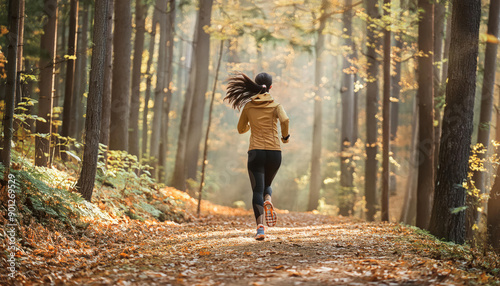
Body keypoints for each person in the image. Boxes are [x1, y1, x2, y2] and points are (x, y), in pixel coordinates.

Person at [224, 72, 290, 241]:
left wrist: (251, 125)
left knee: (257, 189)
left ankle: (260, 228)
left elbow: (240, 129)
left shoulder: (249, 106)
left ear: (255, 86)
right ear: (270, 87)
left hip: (256, 153)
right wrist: (285, 137)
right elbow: (285, 120)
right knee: (268, 184)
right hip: (275, 152)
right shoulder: (276, 105)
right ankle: (268, 199)